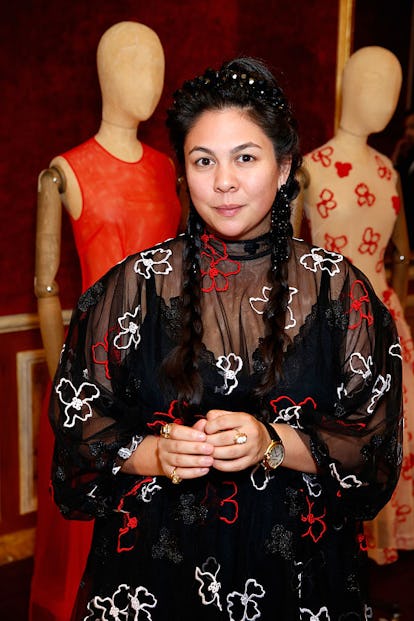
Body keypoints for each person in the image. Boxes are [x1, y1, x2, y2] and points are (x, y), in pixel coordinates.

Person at [49, 56, 402, 620]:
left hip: (297, 568)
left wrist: (272, 442)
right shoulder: (132, 286)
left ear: (285, 167)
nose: (223, 182)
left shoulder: (342, 293)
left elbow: (373, 450)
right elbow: (79, 433)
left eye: (245, 157)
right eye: (203, 160)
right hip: (157, 568)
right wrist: (155, 454)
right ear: (183, 173)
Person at [32, 22, 182, 621]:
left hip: (163, 370)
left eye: (159, 65)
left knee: (157, 519)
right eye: (136, 63)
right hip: (91, 371)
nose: (151, 80)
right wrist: (60, 380)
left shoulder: (170, 168)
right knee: (90, 526)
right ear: (105, 72)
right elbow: (46, 287)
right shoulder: (66, 170)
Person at [302, 46, 414, 567]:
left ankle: (380, 541)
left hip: (388, 320)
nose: (387, 103)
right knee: (342, 438)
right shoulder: (310, 169)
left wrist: (396, 299)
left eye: (394, 90)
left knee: (388, 434)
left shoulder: (390, 170)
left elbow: (401, 252)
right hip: (334, 320)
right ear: (349, 85)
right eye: (376, 84)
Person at [392, 108, 414, 250]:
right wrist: (397, 152)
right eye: (406, 128)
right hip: (406, 226)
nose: (407, 133)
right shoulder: (408, 156)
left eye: (412, 127)